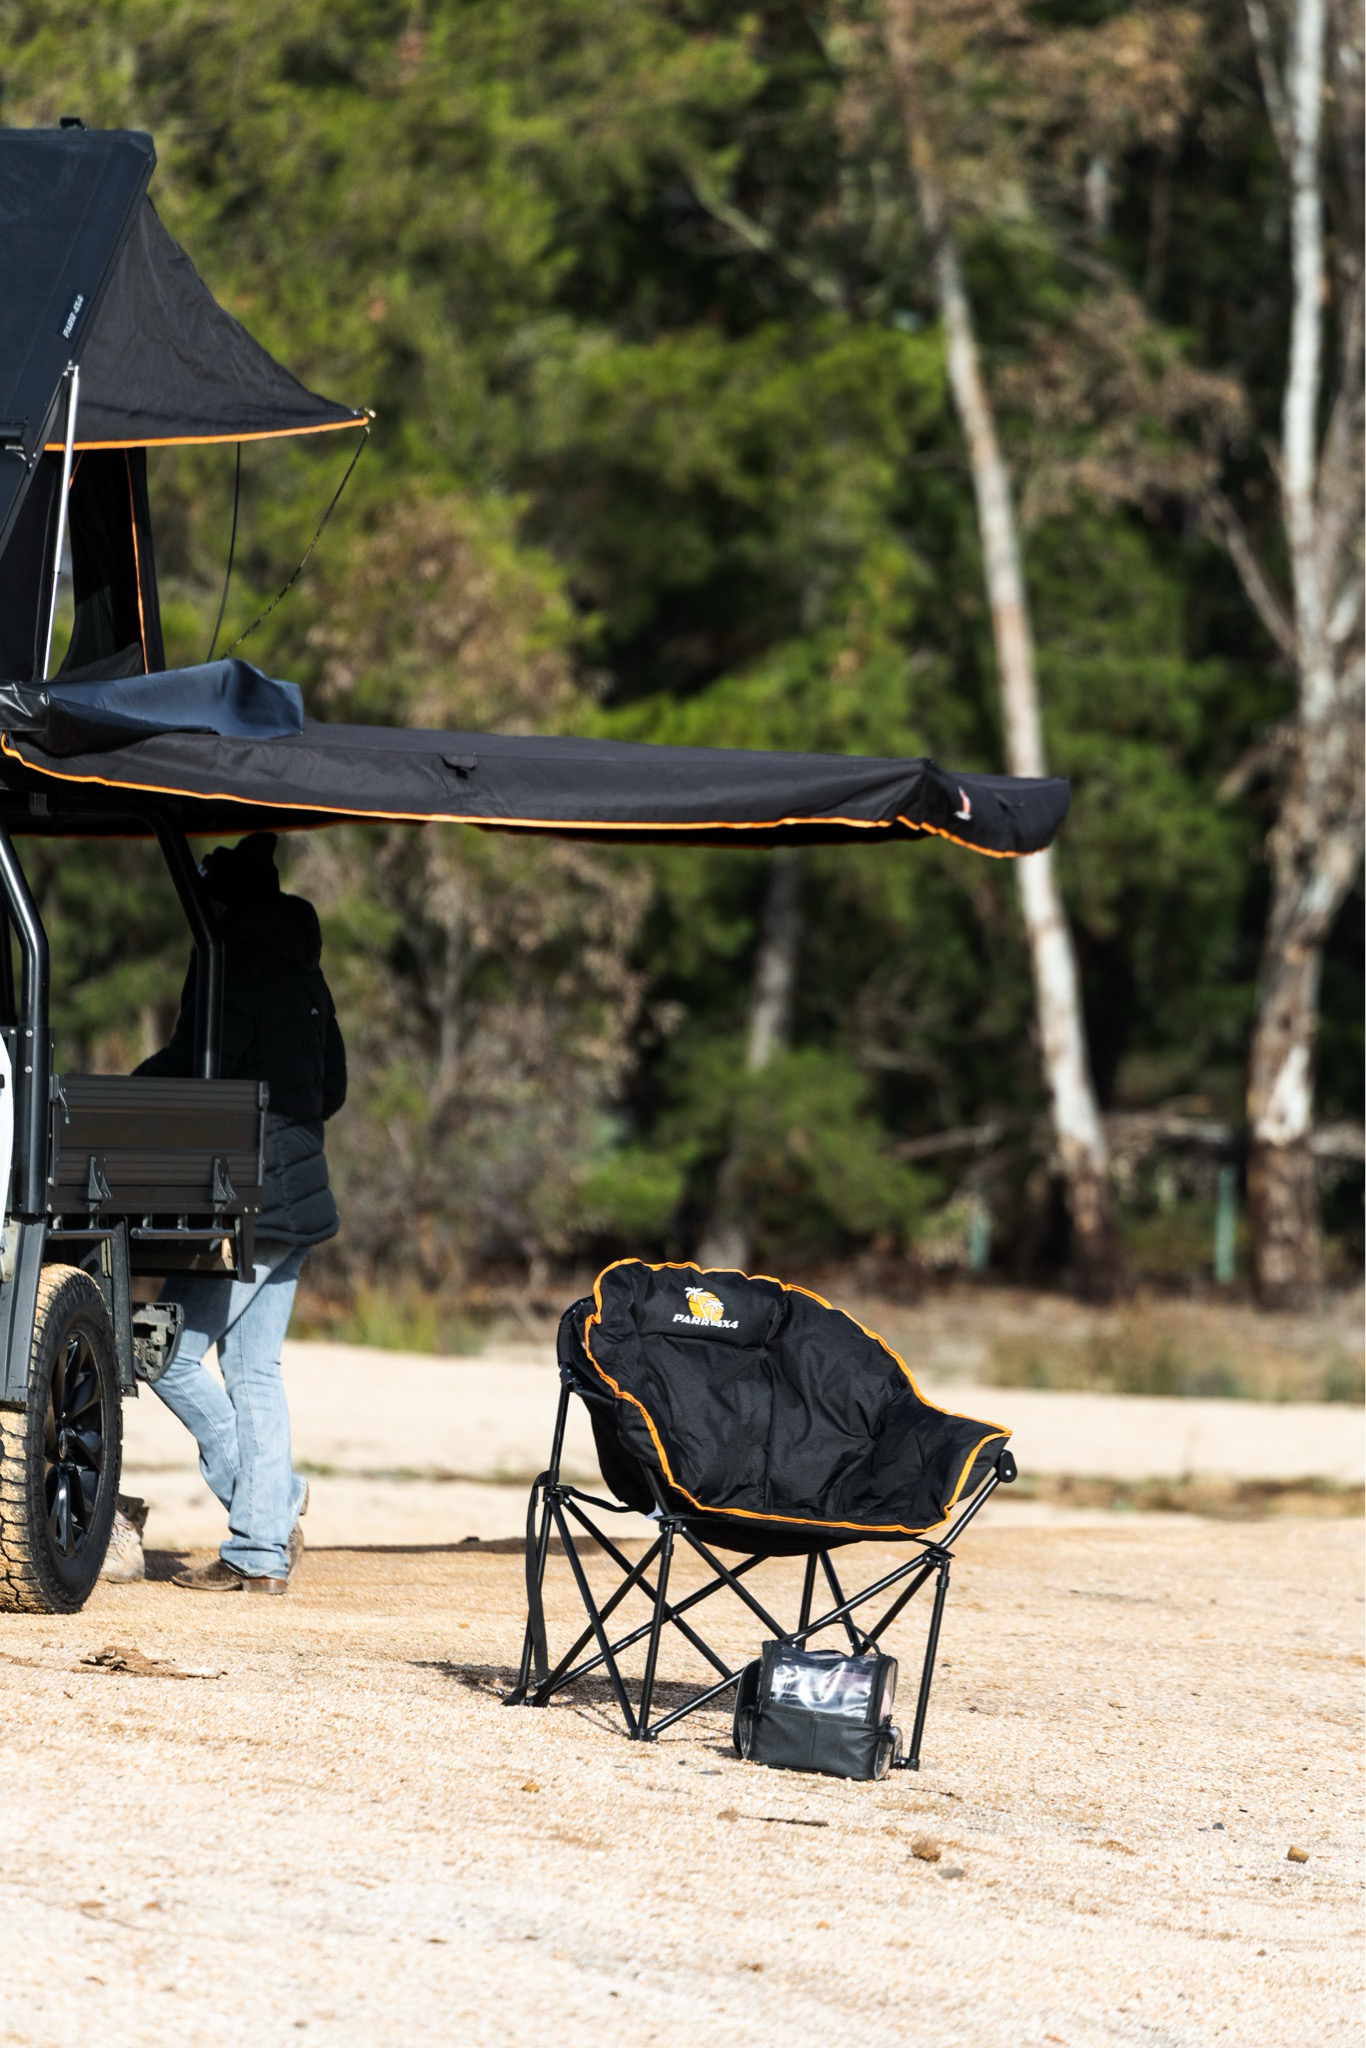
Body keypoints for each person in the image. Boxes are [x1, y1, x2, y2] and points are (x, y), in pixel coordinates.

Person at [129, 832, 346, 1594]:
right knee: (254, 1370)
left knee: (161, 1350)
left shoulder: (228, 964)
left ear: (222, 899)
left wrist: (120, 1090)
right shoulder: (304, 971)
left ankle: (271, 1512)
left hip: (251, 1193)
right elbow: (334, 1090)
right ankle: (261, 1545)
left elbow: (194, 1064)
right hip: (303, 1191)